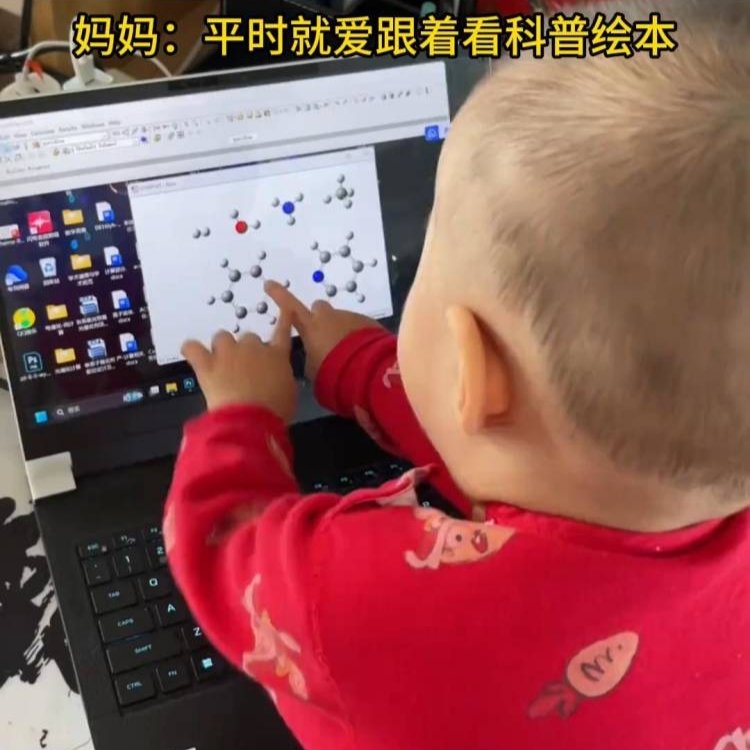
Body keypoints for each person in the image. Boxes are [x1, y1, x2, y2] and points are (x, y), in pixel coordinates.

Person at [164, 2, 750, 748]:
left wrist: (240, 419)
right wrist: (360, 369)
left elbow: (222, 546)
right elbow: (532, 431)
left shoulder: (352, 597)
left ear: (474, 370)